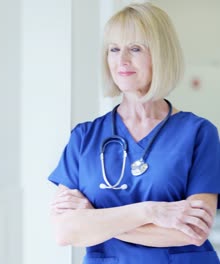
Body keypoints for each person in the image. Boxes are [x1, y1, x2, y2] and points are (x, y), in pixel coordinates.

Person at [48, 3, 220, 264]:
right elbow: (65, 231)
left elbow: (194, 232)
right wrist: (150, 212)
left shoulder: (198, 134)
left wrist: (96, 218)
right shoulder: (85, 137)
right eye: (114, 49)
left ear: (161, 55)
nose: (122, 60)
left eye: (135, 48)